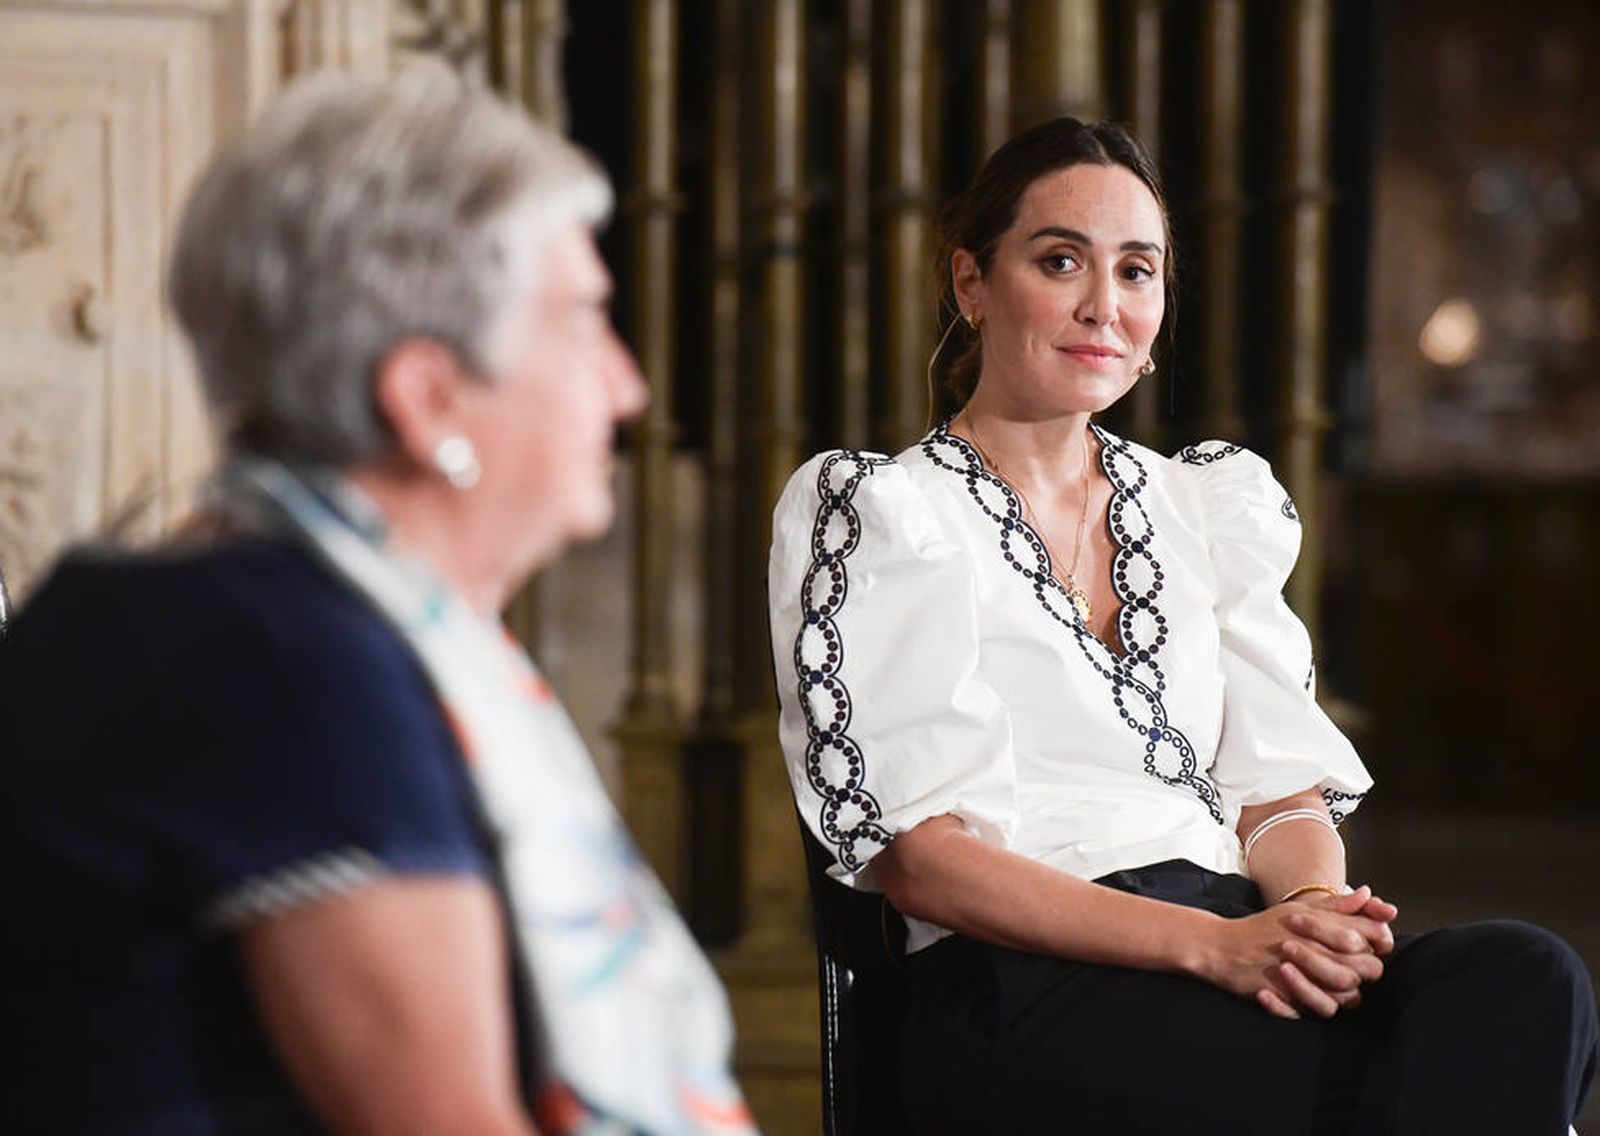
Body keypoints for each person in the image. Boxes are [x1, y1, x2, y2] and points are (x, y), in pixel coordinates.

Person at [768, 116, 1597, 1133]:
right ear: (971, 284)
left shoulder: (1204, 505)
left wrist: (1302, 917)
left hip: (1231, 944)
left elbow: (1277, 794)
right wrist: (1203, 946)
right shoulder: (883, 512)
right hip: (1026, 981)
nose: (1101, 305)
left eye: (1136, 270)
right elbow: (922, 858)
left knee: (1524, 974)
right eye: (1059, 259)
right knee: (1402, 1087)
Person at [0, 71, 754, 1136]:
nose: (626, 387)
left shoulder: (246, 612)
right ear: (428, 397)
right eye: (586, 324)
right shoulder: (278, 659)